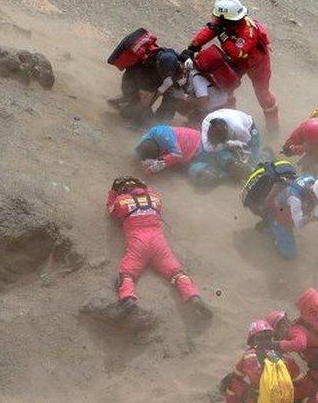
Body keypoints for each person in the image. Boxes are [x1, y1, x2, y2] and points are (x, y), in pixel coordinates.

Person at [105, 176, 211, 320]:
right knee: (176, 272)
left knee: (127, 273)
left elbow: (111, 212)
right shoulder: (155, 197)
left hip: (138, 242)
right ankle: (193, 297)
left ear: (123, 190)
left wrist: (113, 192)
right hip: (158, 242)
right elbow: (148, 194)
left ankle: (127, 299)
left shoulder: (121, 201)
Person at [181, 0, 279, 132]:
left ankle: (273, 128)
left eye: (218, 19)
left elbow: (237, 53)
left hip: (258, 65)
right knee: (225, 86)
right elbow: (209, 31)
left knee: (263, 95)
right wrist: (192, 47)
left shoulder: (248, 32)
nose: (216, 21)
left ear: (227, 19)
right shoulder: (225, 24)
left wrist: (223, 36)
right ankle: (226, 120)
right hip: (238, 63)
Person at [263, 310, 318, 403]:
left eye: (276, 334)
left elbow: (299, 344)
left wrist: (277, 345)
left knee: (303, 393)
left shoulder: (295, 330)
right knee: (306, 387)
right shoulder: (296, 328)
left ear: (280, 327)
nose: (278, 338)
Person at [107, 31, 183, 128]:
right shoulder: (151, 71)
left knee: (137, 106)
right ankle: (126, 105)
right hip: (132, 81)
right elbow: (146, 98)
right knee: (133, 108)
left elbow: (153, 95)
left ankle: (125, 104)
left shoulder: (161, 55)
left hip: (134, 80)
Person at [262, 173, 318, 262]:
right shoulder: (294, 198)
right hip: (281, 212)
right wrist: (314, 214)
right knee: (289, 254)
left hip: (300, 206)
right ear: (314, 194)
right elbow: (299, 224)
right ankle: (273, 230)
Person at [188, 108, 261, 186]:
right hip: (228, 138)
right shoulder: (206, 123)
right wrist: (230, 145)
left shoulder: (239, 128)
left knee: (254, 162)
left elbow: (247, 145)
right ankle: (230, 167)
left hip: (250, 130)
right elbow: (208, 148)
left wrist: (246, 161)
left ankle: (265, 156)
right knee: (213, 153)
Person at [134, 124, 202, 175]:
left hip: (197, 145)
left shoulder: (168, 140)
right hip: (191, 137)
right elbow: (140, 147)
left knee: (185, 169)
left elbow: (177, 155)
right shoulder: (149, 135)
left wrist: (153, 169)